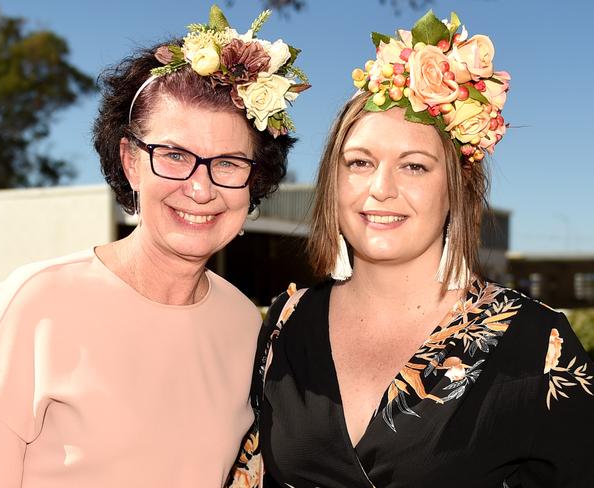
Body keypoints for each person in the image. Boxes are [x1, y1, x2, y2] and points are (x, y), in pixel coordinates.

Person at [0, 5, 309, 487]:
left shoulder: (244, 324)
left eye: (227, 162)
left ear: (253, 180)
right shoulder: (37, 302)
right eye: (175, 155)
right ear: (130, 161)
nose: (200, 188)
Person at [242, 10, 594, 488]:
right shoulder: (287, 322)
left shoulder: (536, 343)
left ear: (456, 189)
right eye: (360, 162)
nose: (381, 189)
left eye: (414, 167)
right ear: (333, 181)